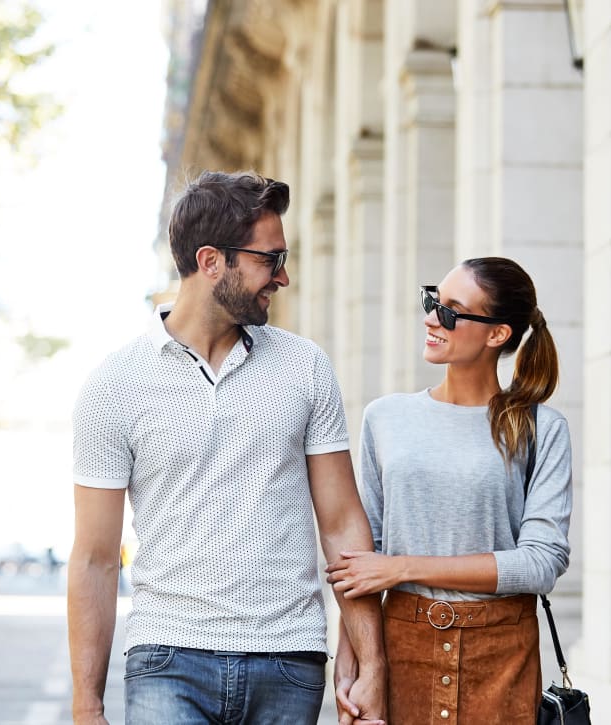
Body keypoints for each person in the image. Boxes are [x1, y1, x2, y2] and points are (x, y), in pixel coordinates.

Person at [68, 170, 387, 725]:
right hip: (168, 658)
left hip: (289, 661)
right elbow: (95, 559)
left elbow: (342, 527)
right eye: (271, 259)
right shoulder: (114, 385)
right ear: (212, 261)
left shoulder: (304, 367)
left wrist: (370, 660)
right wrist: (86, 705)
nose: (283, 278)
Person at [326, 257, 572, 724]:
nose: (431, 318)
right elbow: (362, 557)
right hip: (402, 649)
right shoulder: (386, 418)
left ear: (496, 334)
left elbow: (542, 562)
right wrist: (354, 658)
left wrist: (401, 567)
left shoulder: (541, 428)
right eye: (433, 301)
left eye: (452, 310)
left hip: (501, 656)